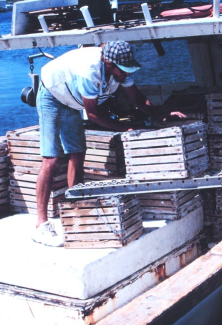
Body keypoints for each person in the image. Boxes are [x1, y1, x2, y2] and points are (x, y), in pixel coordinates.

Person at [32, 40, 184, 246]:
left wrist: (162, 114)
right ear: (108, 63)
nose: (126, 74)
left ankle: (77, 206)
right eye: (123, 71)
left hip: (72, 100)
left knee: (77, 153)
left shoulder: (120, 70)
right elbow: (93, 114)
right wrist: (125, 130)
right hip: (52, 95)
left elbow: (137, 99)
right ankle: (41, 225)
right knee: (51, 159)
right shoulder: (90, 71)